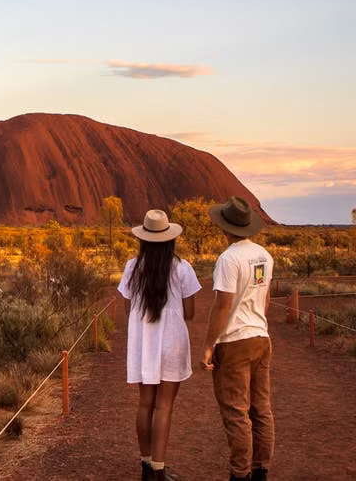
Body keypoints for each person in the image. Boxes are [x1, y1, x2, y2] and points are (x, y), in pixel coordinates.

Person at [118, 209, 201, 481]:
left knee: (145, 404)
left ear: (143, 239)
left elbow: (129, 307)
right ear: (169, 239)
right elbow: (189, 312)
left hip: (143, 341)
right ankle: (159, 469)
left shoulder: (132, 267)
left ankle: (145, 466)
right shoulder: (181, 267)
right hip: (172, 341)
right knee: (164, 406)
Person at [201, 196, 275, 481]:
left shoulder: (228, 259)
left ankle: (239, 474)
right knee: (261, 408)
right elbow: (265, 298)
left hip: (234, 341)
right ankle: (260, 470)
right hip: (261, 336)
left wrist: (209, 345)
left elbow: (223, 305)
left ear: (225, 227)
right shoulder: (264, 256)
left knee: (235, 411)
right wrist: (258, 322)